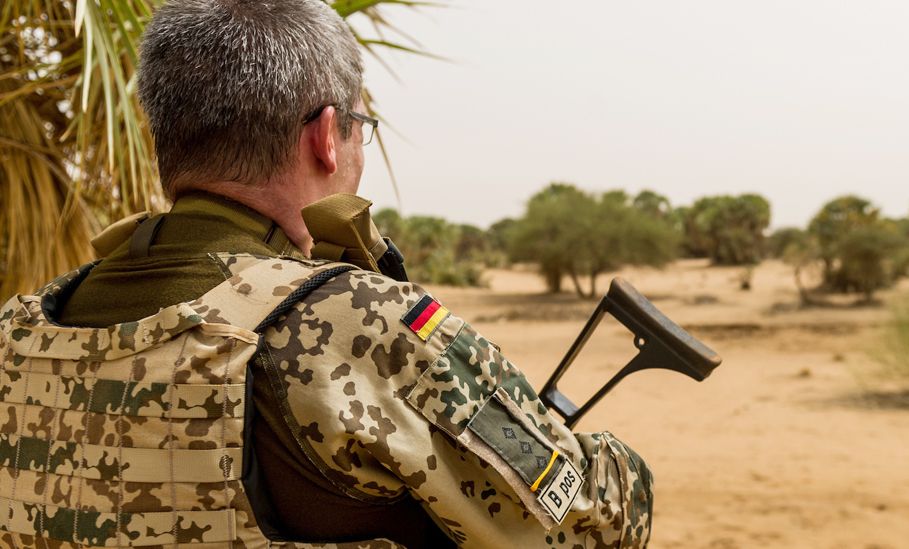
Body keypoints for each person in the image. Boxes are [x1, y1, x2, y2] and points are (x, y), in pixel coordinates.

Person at [0, 0, 652, 546]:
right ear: (327, 135)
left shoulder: (18, 332)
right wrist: (621, 468)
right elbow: (589, 526)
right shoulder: (355, 323)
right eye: (362, 127)